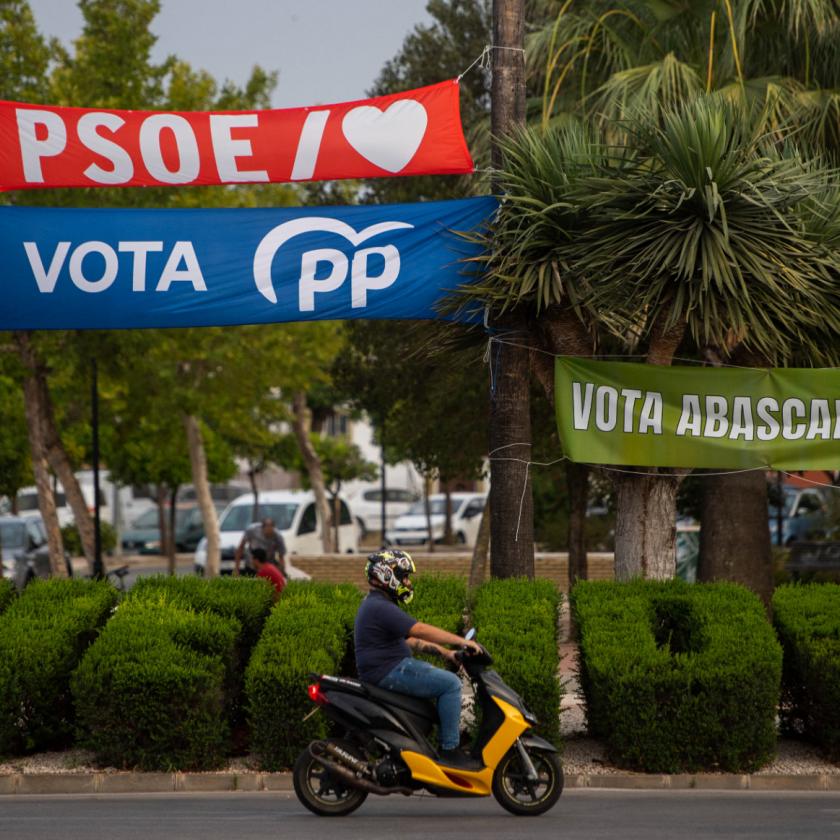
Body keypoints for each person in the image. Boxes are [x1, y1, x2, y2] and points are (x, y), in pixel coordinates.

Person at [354, 549, 482, 769]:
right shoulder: (381, 607)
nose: (407, 582)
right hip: (389, 671)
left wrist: (447, 653)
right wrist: (463, 642)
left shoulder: (377, 604)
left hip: (389, 668)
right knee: (450, 684)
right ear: (388, 576)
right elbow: (419, 630)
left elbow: (411, 640)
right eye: (404, 576)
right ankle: (450, 750)